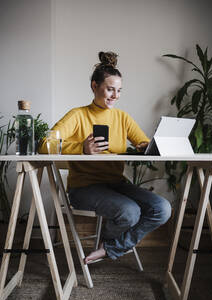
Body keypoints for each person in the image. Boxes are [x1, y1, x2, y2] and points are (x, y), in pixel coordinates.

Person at [39, 51, 172, 264]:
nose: (115, 96)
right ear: (94, 86)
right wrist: (81, 148)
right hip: (83, 188)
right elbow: (44, 145)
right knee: (129, 211)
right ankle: (114, 247)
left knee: (162, 208)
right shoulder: (78, 115)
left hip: (116, 185)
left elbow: (143, 143)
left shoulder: (122, 117)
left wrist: (147, 146)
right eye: (110, 89)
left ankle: (109, 248)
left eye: (119, 91)